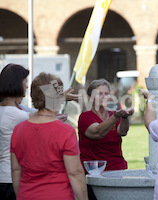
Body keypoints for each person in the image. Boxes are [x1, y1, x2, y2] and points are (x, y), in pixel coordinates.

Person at [10, 72, 88, 200]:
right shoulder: (66, 131)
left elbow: (16, 170)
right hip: (58, 194)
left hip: (27, 194)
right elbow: (75, 172)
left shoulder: (18, 130)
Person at [78, 78, 134, 200]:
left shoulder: (115, 115)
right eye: (100, 94)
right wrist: (116, 116)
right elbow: (97, 132)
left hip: (117, 171)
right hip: (94, 174)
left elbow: (123, 131)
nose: (104, 96)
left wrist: (125, 117)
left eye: (107, 93)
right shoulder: (85, 117)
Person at [0, 64, 30, 200]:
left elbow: (36, 112)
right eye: (25, 82)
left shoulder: (8, 110)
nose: (27, 86)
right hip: (12, 179)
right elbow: (43, 115)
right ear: (17, 83)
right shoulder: (18, 115)